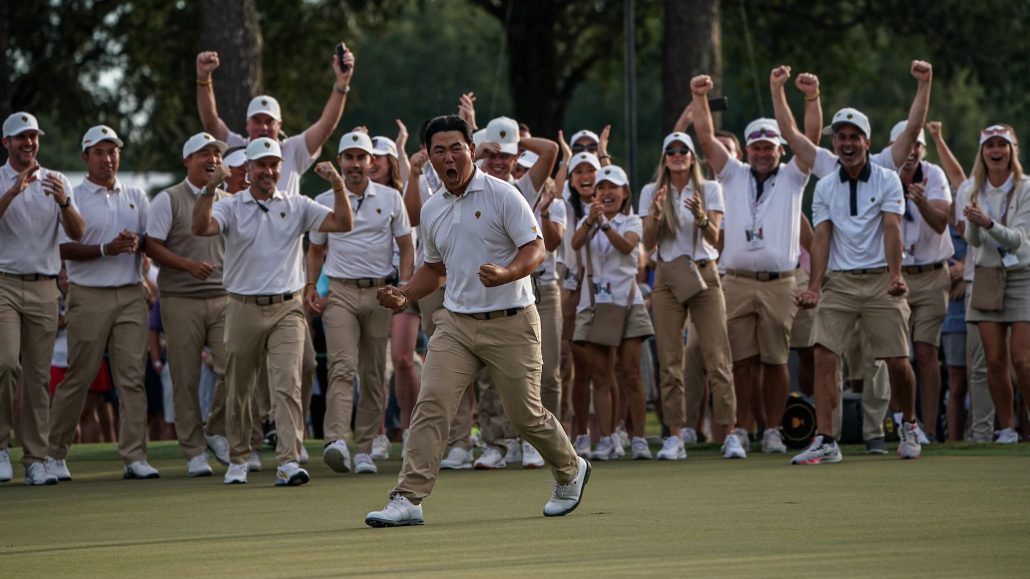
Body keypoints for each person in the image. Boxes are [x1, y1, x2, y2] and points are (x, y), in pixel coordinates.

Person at [366, 115, 588, 527]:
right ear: (428, 157)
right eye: (439, 150)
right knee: (431, 404)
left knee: (524, 415)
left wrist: (507, 273)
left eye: (456, 147)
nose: (448, 157)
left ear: (472, 150)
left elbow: (536, 248)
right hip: (457, 323)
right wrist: (405, 293)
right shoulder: (432, 208)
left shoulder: (504, 195)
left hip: (512, 320)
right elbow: (433, 269)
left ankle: (571, 469)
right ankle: (407, 498)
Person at [782, 60, 934, 463]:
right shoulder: (826, 185)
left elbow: (892, 229)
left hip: (883, 280)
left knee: (899, 362)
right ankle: (828, 440)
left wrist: (897, 275)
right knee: (823, 354)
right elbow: (822, 238)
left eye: (854, 137)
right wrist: (815, 286)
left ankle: (909, 424)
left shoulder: (886, 176)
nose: (846, 143)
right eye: (841, 138)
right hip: (841, 283)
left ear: (867, 142)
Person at [191, 137, 353, 485]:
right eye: (261, 165)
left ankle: (288, 461)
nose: (268, 171)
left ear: (281, 168)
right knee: (239, 386)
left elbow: (342, 223)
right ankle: (238, 456)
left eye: (273, 165)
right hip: (242, 305)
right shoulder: (232, 205)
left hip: (287, 308)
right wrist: (209, 186)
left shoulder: (297, 204)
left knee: (288, 384)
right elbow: (201, 227)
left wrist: (338, 184)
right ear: (247, 170)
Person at [689, 72, 826, 455]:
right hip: (736, 280)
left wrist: (810, 98)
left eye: (769, 147)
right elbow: (705, 137)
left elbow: (811, 138)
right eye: (756, 148)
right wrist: (700, 97)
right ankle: (741, 430)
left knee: (775, 361)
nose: (762, 153)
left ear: (780, 150)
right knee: (741, 361)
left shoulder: (793, 177)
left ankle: (772, 430)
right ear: (746, 150)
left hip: (780, 281)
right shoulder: (732, 173)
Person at [48, 125, 155, 481]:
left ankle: (134, 456)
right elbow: (63, 248)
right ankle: (55, 454)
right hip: (88, 294)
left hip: (129, 293)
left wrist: (136, 243)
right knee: (78, 376)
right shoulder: (72, 196)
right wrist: (106, 249)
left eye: (112, 151)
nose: (108, 159)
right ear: (86, 157)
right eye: (99, 152)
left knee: (131, 380)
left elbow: (149, 242)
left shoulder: (137, 196)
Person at [305, 131, 413, 475]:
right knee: (341, 366)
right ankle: (337, 439)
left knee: (374, 373)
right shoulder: (325, 198)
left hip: (381, 291)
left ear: (372, 162)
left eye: (360, 157)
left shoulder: (391, 197)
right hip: (341, 291)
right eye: (348, 157)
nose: (355, 164)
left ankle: (364, 447)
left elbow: (407, 246)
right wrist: (311, 284)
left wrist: (404, 287)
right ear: (341, 162)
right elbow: (316, 249)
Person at [640, 130, 739, 460]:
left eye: (684, 150)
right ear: (664, 158)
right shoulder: (652, 192)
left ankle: (728, 433)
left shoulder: (710, 189)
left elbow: (716, 238)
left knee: (717, 357)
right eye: (672, 150)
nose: (678, 154)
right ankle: (674, 436)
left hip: (704, 272)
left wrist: (700, 216)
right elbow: (649, 241)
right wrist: (656, 211)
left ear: (692, 157)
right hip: (667, 276)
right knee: (669, 361)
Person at [0, 112, 84, 485]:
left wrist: (65, 202)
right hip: (4, 283)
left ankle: (35, 458)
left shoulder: (57, 180)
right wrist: (13, 192)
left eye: (33, 137)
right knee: (5, 365)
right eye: (21, 138)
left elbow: (79, 232)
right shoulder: (1, 179)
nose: (28, 143)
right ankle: (1, 446)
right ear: (7, 143)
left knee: (37, 376)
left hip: (44, 286)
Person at [145, 132, 233, 476]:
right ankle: (194, 450)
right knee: (185, 377)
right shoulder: (167, 199)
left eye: (216, 154)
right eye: (204, 154)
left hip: (223, 296)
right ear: (187, 161)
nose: (212, 160)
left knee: (236, 367)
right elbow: (151, 246)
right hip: (180, 298)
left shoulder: (228, 199)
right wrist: (188, 266)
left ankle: (214, 429)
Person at [570, 165, 654, 460]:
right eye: (601, 187)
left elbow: (626, 245)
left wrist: (603, 224)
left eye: (613, 187)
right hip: (594, 303)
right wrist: (591, 222)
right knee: (600, 375)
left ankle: (639, 438)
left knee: (631, 374)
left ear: (624, 193)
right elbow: (575, 243)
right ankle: (606, 439)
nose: (606, 192)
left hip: (628, 302)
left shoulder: (632, 220)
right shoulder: (588, 219)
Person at [195, 45, 355, 196]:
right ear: (247, 124)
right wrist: (204, 78)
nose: (263, 127)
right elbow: (210, 121)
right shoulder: (234, 148)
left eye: (269, 121)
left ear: (280, 125)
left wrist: (342, 84)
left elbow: (326, 125)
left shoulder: (293, 149)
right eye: (257, 120)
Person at [883, 120, 954, 441]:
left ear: (922, 149)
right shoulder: (883, 177)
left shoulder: (935, 175)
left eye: (916, 145)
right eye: (903, 144)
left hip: (930, 275)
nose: (910, 152)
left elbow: (941, 224)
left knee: (925, 353)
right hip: (894, 276)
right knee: (897, 355)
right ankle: (902, 423)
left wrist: (921, 201)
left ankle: (928, 427)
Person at [960, 124, 1030, 444]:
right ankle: (1007, 428)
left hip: (1022, 275)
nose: (996, 151)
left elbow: (1017, 241)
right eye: (990, 146)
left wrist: (987, 222)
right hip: (987, 274)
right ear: (982, 152)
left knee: (1022, 359)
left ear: (1012, 150)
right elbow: (973, 242)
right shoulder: (970, 188)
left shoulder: (1025, 187)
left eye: (1003, 145)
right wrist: (976, 224)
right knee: (995, 360)